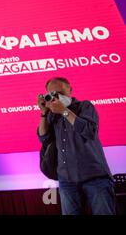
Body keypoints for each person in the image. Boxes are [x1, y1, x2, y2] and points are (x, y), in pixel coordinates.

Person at [37, 77, 115, 215]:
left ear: (70, 90)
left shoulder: (85, 106)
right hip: (67, 180)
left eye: (60, 92)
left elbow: (89, 131)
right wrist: (44, 113)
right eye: (52, 94)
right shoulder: (52, 114)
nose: (57, 98)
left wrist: (64, 111)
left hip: (94, 176)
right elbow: (44, 137)